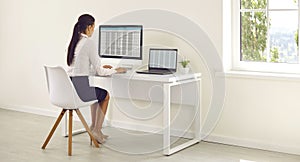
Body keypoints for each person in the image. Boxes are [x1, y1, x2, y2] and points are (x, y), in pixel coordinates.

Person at [67, 14, 126, 144]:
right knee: (105, 96)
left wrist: (101, 69)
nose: (93, 30)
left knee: (95, 95)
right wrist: (116, 70)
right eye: (93, 27)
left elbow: (80, 68)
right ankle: (97, 130)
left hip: (69, 89)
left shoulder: (75, 42)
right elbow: (100, 71)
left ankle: (94, 128)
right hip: (80, 90)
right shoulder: (88, 42)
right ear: (89, 27)